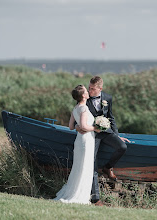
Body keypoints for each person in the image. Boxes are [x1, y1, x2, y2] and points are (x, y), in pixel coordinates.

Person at [75, 76, 129, 205]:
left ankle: (108, 167)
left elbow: (111, 117)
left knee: (122, 147)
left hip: (106, 132)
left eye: (93, 89)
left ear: (100, 89)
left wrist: (116, 134)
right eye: (89, 88)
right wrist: (78, 127)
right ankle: (96, 198)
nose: (89, 91)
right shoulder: (84, 99)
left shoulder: (108, 98)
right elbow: (76, 117)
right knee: (92, 164)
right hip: (91, 135)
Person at [54, 85, 101, 204]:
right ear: (84, 95)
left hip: (79, 140)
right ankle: (80, 195)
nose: (88, 92)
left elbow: (71, 126)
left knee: (78, 166)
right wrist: (96, 128)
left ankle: (74, 191)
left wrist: (77, 126)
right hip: (86, 140)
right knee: (85, 166)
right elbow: (84, 126)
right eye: (86, 91)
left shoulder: (75, 108)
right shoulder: (84, 108)